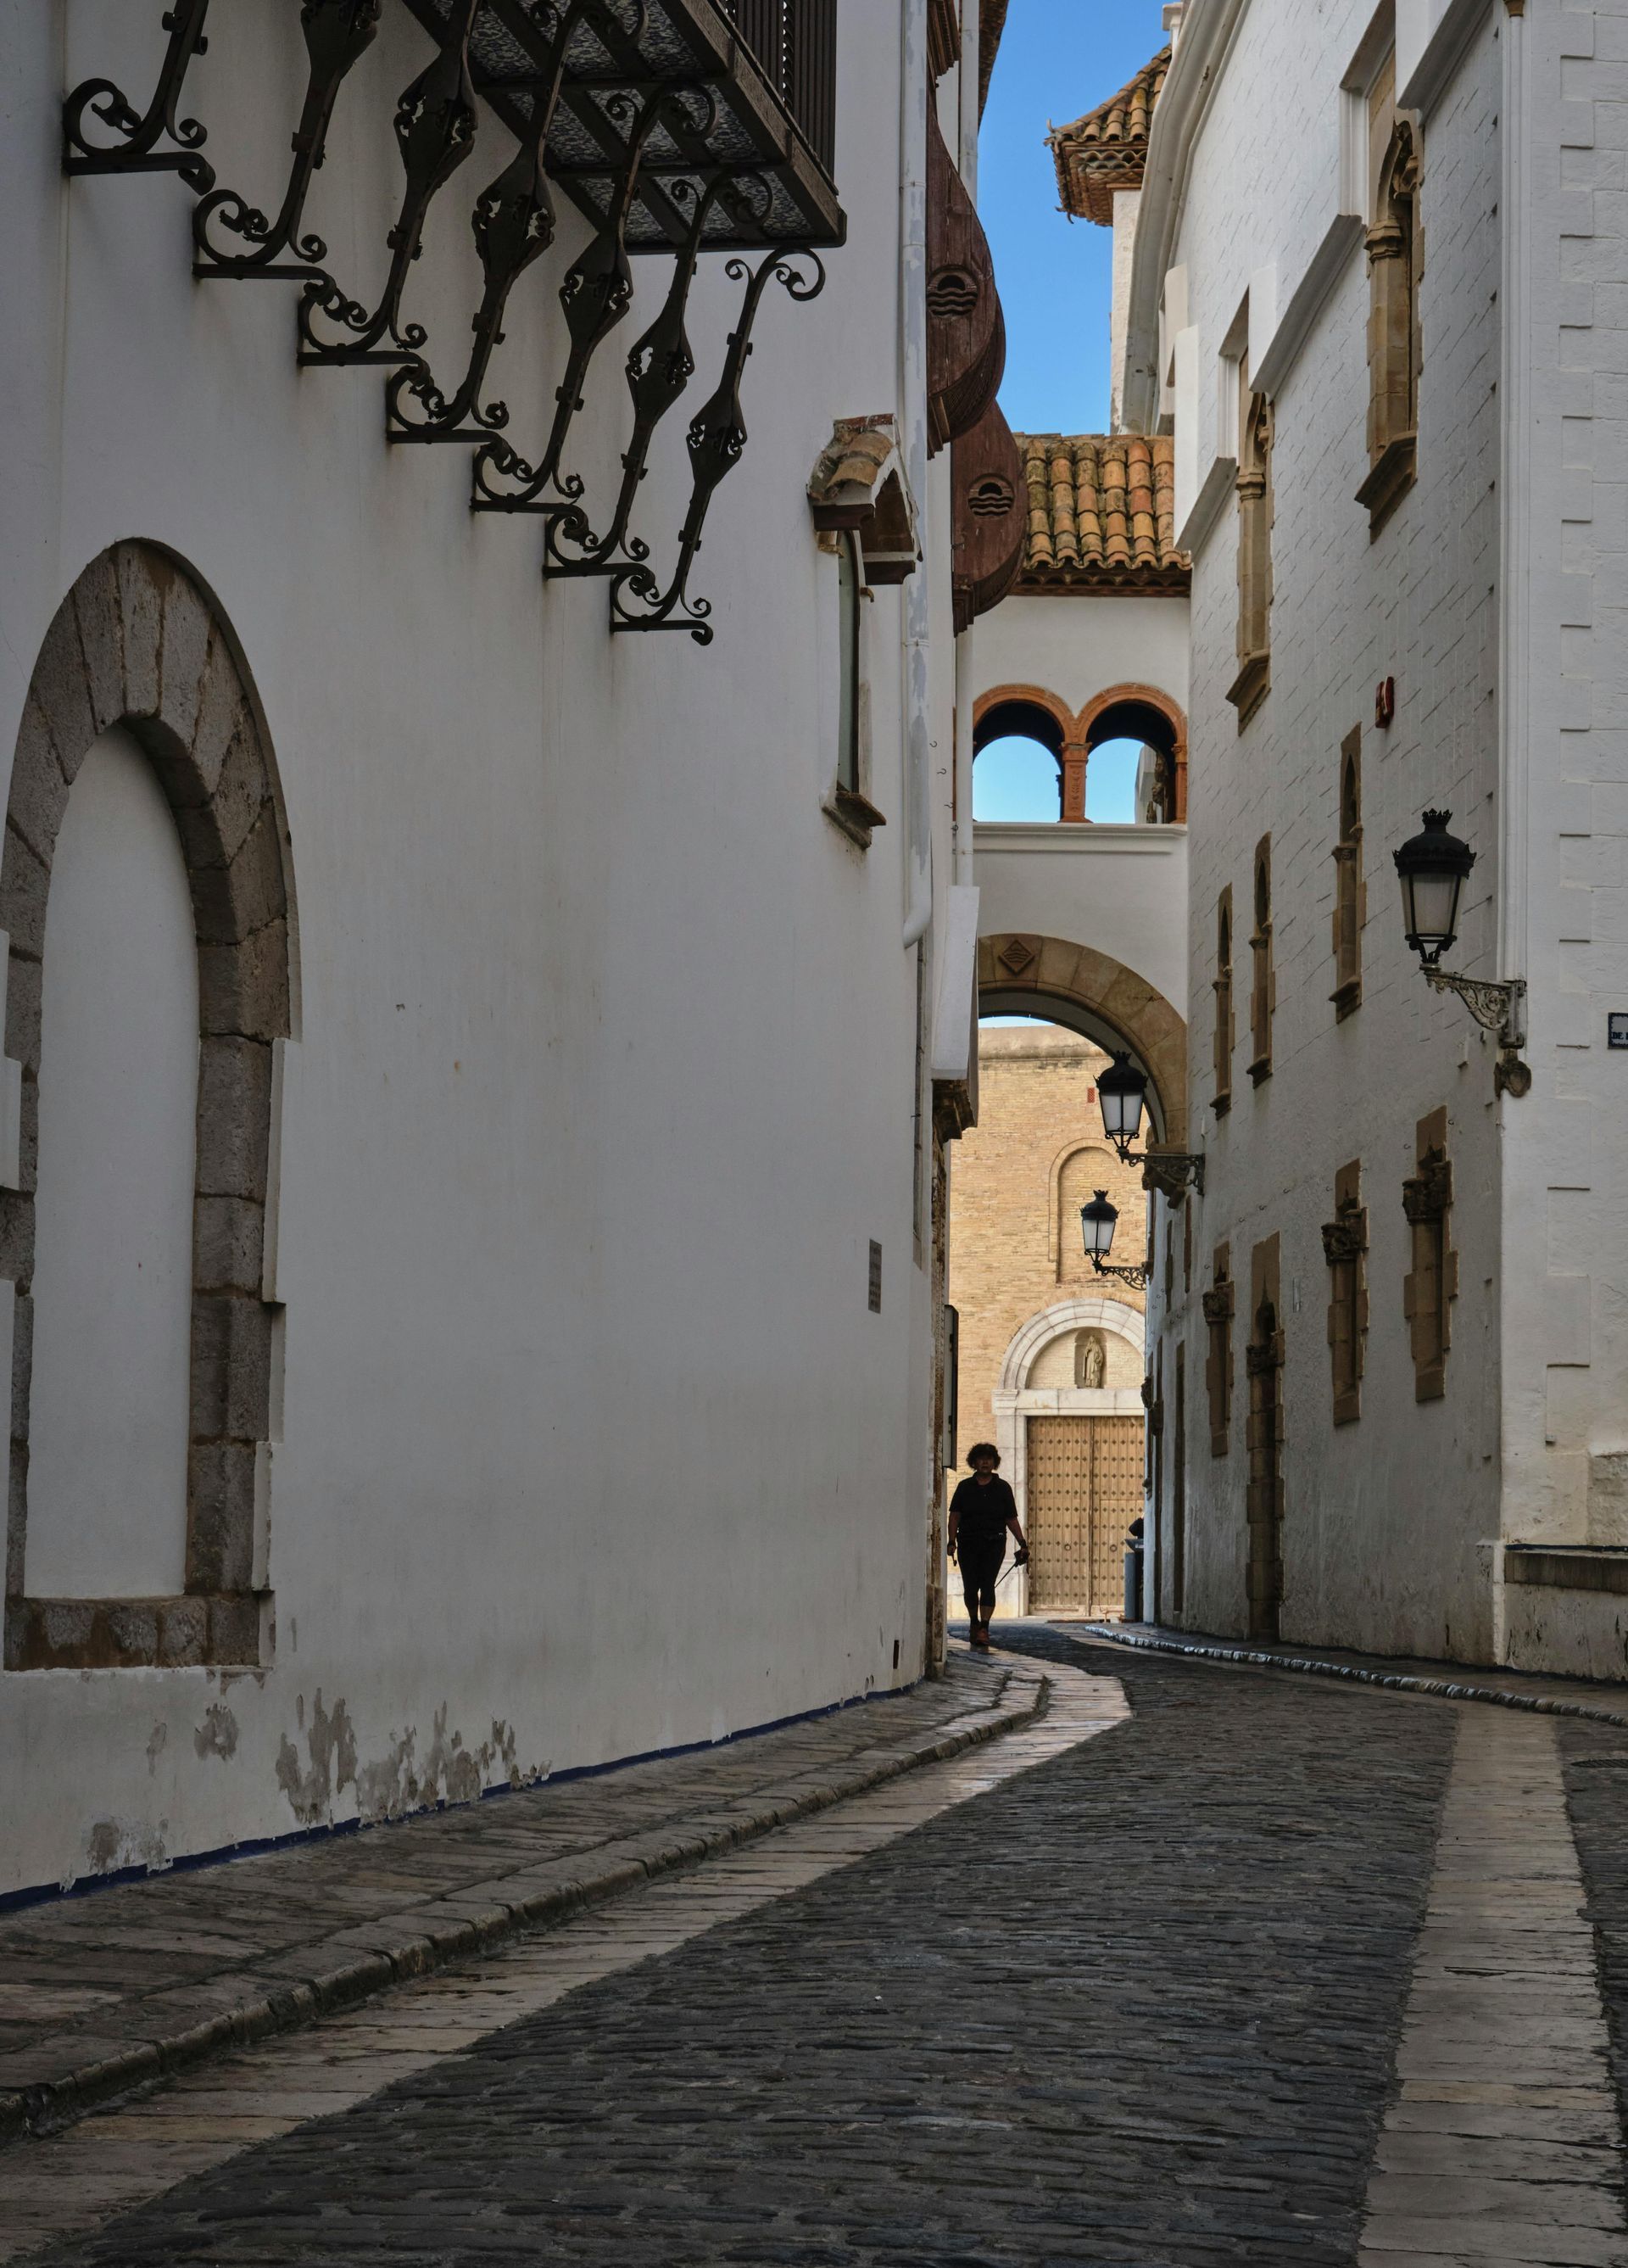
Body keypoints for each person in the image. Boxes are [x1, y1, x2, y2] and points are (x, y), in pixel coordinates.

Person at [947, 1443, 1027, 1652]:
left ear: (994, 1462)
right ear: (974, 1462)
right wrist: (951, 1541)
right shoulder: (964, 1487)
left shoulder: (1003, 1489)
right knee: (971, 1586)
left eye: (989, 1459)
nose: (985, 1462)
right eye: (981, 1459)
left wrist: (1022, 1543)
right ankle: (974, 1620)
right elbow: (955, 1516)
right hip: (968, 1543)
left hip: (994, 1543)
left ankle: (984, 1628)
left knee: (988, 1584)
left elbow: (1011, 1518)